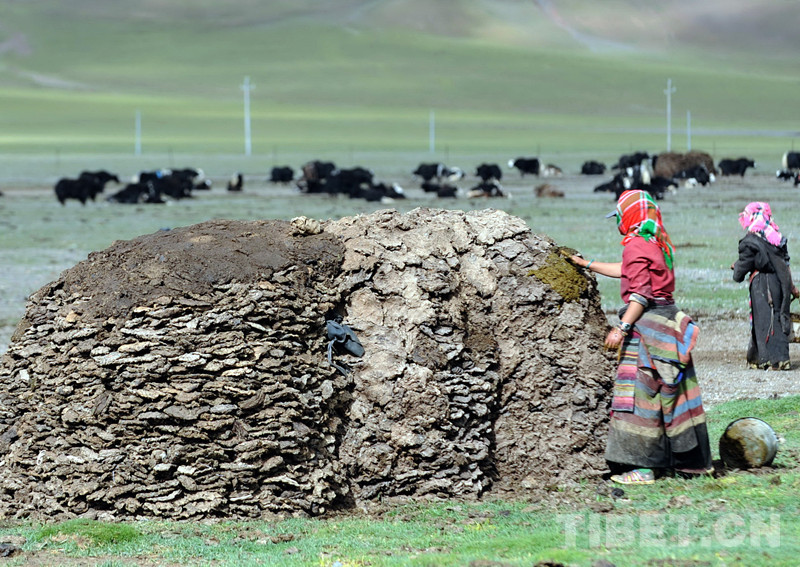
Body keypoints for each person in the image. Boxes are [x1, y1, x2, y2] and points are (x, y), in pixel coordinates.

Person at [569, 189, 713, 485]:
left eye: (619, 216)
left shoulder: (635, 244)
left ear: (630, 215)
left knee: (640, 397)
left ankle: (644, 468)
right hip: (669, 326)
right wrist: (588, 265)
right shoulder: (655, 241)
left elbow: (640, 293)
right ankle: (685, 463)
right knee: (673, 396)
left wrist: (621, 328)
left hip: (647, 330)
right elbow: (630, 272)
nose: (618, 222)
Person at [732, 201, 799, 370]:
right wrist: (792, 287)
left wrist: (737, 268)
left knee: (765, 322)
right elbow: (785, 263)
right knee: (776, 317)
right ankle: (780, 359)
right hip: (779, 283)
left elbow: (740, 272)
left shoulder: (750, 241)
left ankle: (769, 360)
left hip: (762, 285)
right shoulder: (776, 237)